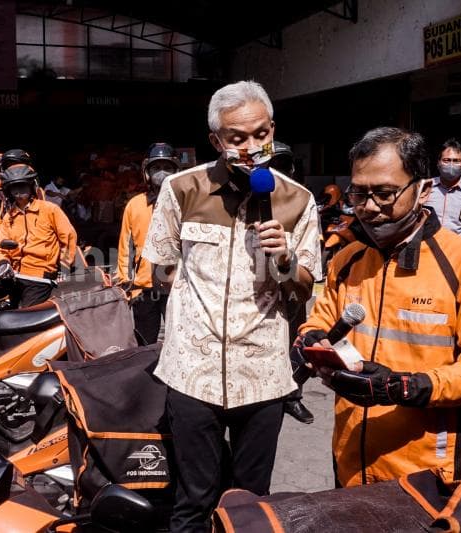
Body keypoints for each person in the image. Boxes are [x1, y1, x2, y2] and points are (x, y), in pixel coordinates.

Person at [142, 80, 322, 532]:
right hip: (190, 374)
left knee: (250, 503)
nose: (252, 148)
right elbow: (159, 271)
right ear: (216, 140)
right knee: (193, 500)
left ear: (273, 129)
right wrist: (192, 311)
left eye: (261, 134)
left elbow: (303, 291)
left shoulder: (297, 199)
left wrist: (285, 260)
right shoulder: (181, 189)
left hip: (262, 377)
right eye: (237, 138)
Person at [297, 127, 461, 489]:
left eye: (384, 194)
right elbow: (321, 320)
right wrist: (311, 340)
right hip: (351, 466)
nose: (368, 207)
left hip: (432, 478)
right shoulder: (347, 260)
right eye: (359, 193)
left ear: (423, 189)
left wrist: (403, 388)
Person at [0, 164, 77, 308]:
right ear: (9, 191)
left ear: (31, 187)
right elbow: (0, 247)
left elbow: (69, 237)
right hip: (13, 274)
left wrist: (64, 266)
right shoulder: (9, 216)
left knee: (26, 319)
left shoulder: (49, 210)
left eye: (23, 186)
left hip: (38, 277)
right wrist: (3, 263)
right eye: (14, 187)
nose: (19, 191)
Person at [269, 141, 315, 425]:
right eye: (273, 166)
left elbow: (310, 258)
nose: (279, 173)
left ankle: (293, 396)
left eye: (284, 166)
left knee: (296, 344)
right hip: (261, 293)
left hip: (293, 289)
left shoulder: (302, 204)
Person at [116, 142, 180, 344]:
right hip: (143, 286)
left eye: (167, 168)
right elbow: (126, 245)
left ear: (176, 171)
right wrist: (125, 281)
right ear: (147, 173)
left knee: (179, 341)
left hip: (177, 284)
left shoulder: (184, 202)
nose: (161, 173)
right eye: (156, 168)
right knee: (145, 343)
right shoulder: (135, 205)